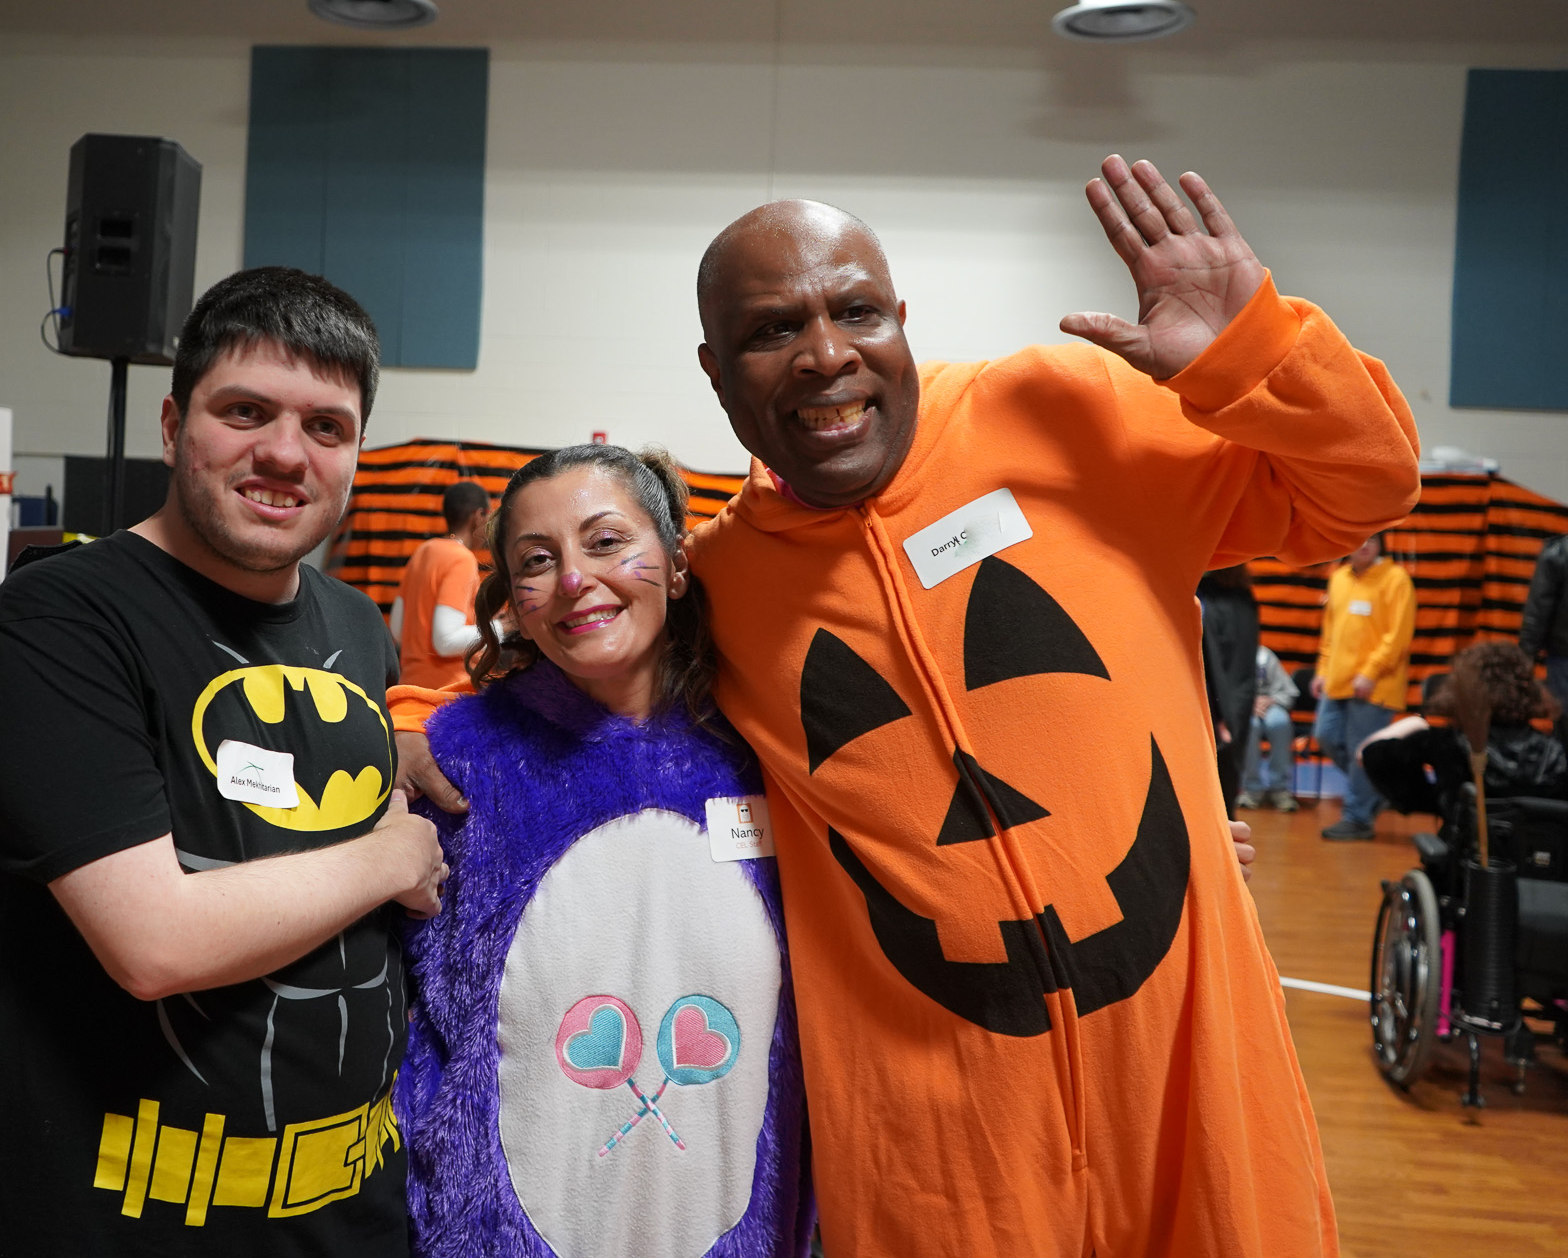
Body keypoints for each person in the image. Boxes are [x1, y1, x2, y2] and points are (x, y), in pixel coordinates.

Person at [397, 155, 1415, 1256]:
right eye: (771, 330)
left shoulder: (1062, 411)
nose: (825, 353)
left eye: (855, 310)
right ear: (714, 371)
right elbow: (570, 655)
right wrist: (410, 721)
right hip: (945, 1156)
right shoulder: (727, 579)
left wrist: (1243, 354)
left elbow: (1359, 486)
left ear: (898, 318)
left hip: (1190, 1085)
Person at [0, 268, 446, 1257]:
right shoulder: (62, 615)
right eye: (245, 411)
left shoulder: (356, 626)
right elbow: (154, 941)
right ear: (170, 425)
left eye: (327, 427)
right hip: (114, 1219)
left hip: (344, 1212)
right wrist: (393, 858)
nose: (285, 453)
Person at [398, 445, 809, 1258]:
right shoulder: (455, 759)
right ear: (513, 596)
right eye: (538, 561)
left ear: (677, 563)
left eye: (606, 541)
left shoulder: (774, 746)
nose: (576, 579)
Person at [1359, 640, 1568, 813]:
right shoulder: (1555, 751)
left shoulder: (1447, 743)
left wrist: (1415, 723)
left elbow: (1367, 754)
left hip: (1464, 859)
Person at [1312, 532, 1417, 840]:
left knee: (1362, 751)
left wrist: (1371, 672)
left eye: (1372, 539)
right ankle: (1378, 788)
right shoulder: (1339, 578)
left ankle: (1358, 818)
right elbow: (1330, 633)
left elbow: (1398, 636)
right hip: (1337, 680)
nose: (1364, 545)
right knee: (1325, 735)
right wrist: (1322, 670)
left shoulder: (1396, 579)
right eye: (1358, 539)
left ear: (1381, 544)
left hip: (1375, 685)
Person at [389, 481, 490, 688]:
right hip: (447, 692)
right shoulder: (462, 559)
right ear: (479, 516)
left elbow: (397, 629)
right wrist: (500, 628)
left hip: (410, 688)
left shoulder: (423, 551)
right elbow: (446, 641)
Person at [1198, 564, 1260, 816]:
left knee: (1222, 772)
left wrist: (1222, 714)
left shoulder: (1210, 597)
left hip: (1220, 698)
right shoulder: (1242, 596)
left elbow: (1220, 661)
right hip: (1230, 697)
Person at [1240, 644, 1300, 811]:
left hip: (1272, 703)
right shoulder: (1229, 654)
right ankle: (1251, 789)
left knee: (1280, 723)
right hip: (1243, 708)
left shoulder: (1265, 655)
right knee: (1250, 726)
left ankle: (1279, 790)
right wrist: (1246, 703)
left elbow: (1288, 691)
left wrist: (1270, 700)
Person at [1520, 532, 1568, 720]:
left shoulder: (1559, 550)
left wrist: (1526, 654)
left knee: (1564, 721)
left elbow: (1539, 607)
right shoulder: (1559, 551)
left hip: (1563, 656)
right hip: (1562, 655)